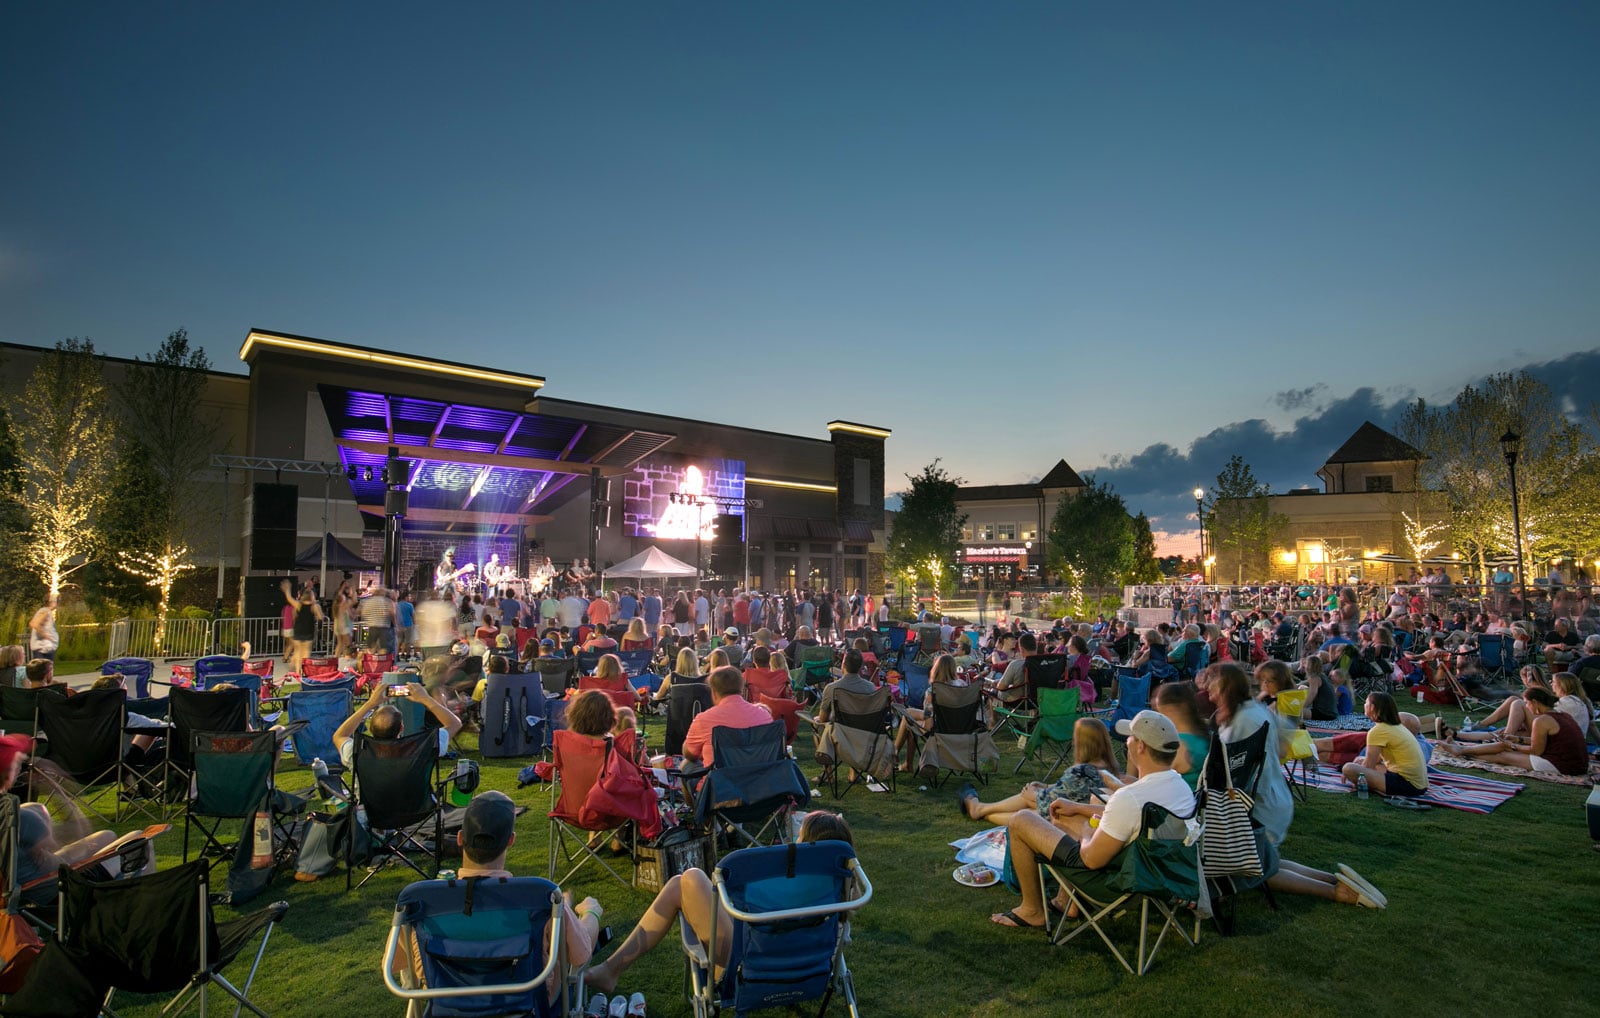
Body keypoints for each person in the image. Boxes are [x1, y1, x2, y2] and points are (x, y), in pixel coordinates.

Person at [581, 810, 851, 1005]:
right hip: (809, 967)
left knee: (691, 878)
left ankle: (611, 970)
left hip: (748, 964)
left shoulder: (785, 885)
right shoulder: (840, 895)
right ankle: (610, 970)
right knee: (679, 884)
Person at [389, 791, 603, 1010]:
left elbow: (398, 965)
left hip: (448, 1008)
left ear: (461, 838)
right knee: (556, 957)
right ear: (511, 840)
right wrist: (590, 912)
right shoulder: (539, 897)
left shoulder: (420, 902)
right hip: (525, 1008)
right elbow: (581, 954)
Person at [990, 710, 1195, 928]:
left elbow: (1091, 860)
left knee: (1021, 820)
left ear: (1141, 746)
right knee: (1078, 811)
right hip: (1155, 872)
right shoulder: (1180, 787)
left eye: (1130, 737)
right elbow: (1128, 816)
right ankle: (1065, 901)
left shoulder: (1129, 798)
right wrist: (1077, 808)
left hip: (1112, 881)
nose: (1127, 742)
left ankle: (1032, 910)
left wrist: (1084, 833)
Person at [959, 717, 1123, 827]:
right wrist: (1045, 785)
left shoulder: (1081, 771)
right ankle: (981, 810)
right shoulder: (1109, 770)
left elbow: (1052, 802)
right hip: (1084, 818)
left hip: (1067, 820)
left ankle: (980, 810)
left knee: (1028, 810)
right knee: (1033, 800)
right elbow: (1073, 792)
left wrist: (1033, 795)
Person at [1439, 686, 1589, 776]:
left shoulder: (1541, 720)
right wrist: (1518, 740)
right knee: (1506, 746)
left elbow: (1536, 751)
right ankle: (1462, 749)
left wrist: (1513, 746)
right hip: (1577, 763)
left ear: (1535, 702)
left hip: (1563, 765)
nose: (1527, 707)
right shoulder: (1561, 715)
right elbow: (1543, 742)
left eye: (1527, 703)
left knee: (1504, 755)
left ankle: (1462, 751)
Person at [332, 678, 463, 770]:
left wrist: (369, 704)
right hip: (417, 809)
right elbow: (454, 723)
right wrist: (426, 699)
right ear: (401, 727)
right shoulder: (423, 746)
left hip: (369, 809)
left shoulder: (356, 751)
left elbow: (340, 735)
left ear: (371, 729)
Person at [1340, 692, 1429, 798]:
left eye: (1366, 702)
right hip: (1420, 785)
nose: (1364, 705)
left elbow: (1368, 767)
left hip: (1407, 785)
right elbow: (1375, 761)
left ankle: (1373, 786)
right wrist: (1361, 761)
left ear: (1372, 707)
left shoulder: (1378, 731)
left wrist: (1353, 774)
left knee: (1348, 768)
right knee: (1360, 761)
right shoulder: (1397, 727)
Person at [681, 667, 773, 766]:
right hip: (760, 777)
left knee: (687, 765)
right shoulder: (764, 715)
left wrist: (692, 739)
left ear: (713, 692)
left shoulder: (704, 720)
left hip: (720, 780)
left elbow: (690, 754)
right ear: (741, 689)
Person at [1153, 681, 1210, 791]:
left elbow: (1148, 786)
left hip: (1179, 803)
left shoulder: (1178, 746)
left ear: (1170, 710)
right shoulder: (1205, 734)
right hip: (1199, 799)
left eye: (1158, 711)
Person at [281, 578, 324, 677]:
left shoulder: (298, 605)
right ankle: (304, 671)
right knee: (305, 655)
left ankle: (297, 671)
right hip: (308, 632)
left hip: (298, 632)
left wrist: (287, 589)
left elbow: (289, 598)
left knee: (298, 653)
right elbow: (321, 617)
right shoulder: (314, 606)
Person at [27, 595, 59, 663]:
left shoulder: (46, 611)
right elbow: (34, 624)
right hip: (43, 648)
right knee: (44, 669)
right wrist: (46, 636)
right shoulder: (45, 611)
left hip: (45, 647)